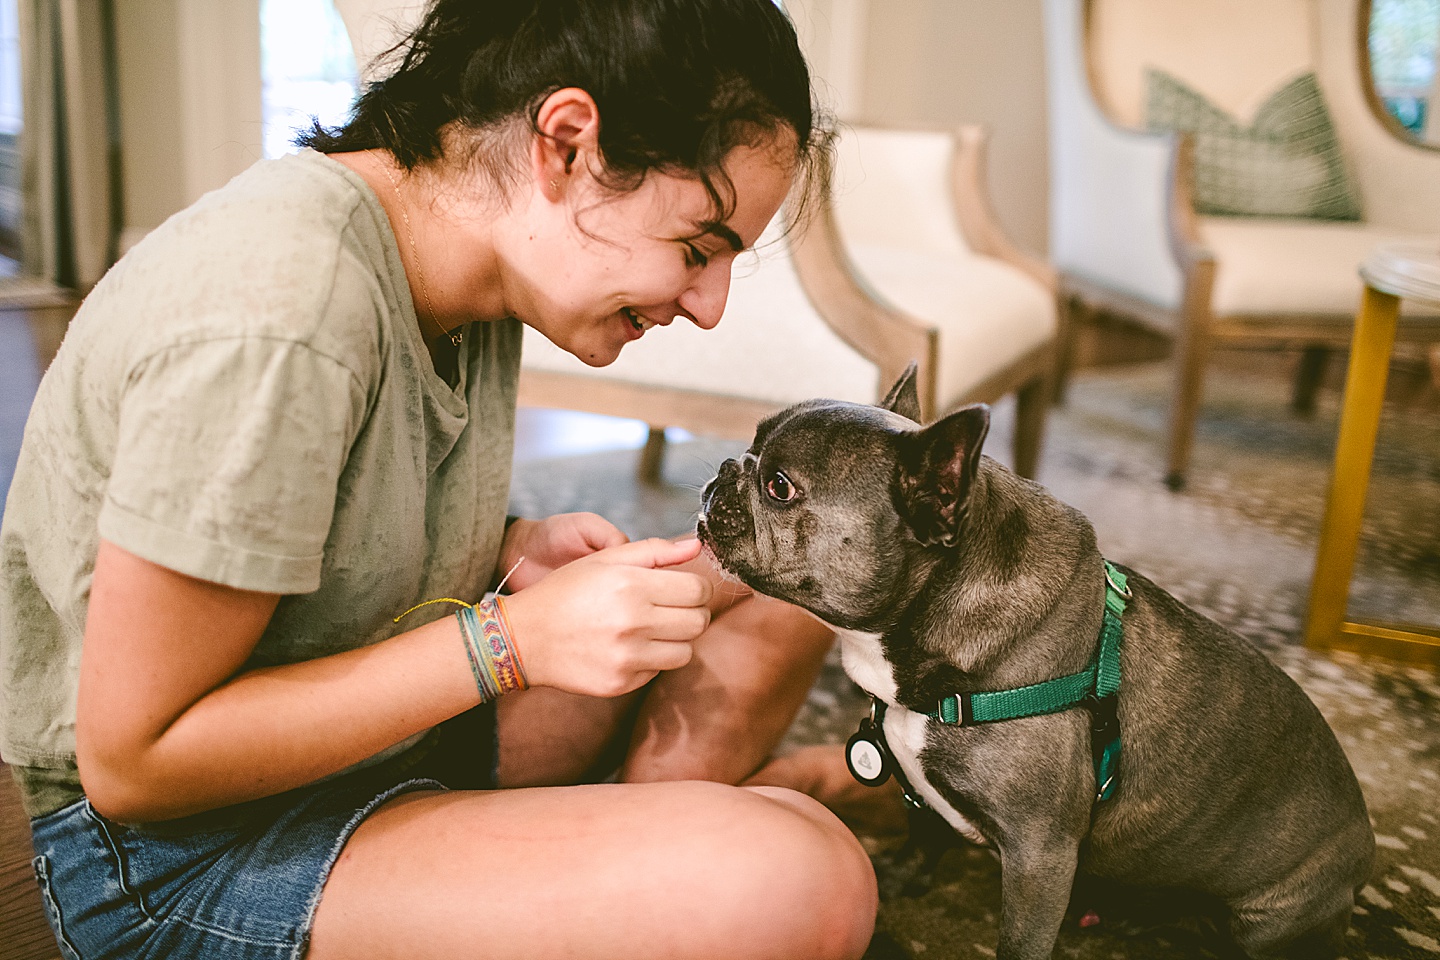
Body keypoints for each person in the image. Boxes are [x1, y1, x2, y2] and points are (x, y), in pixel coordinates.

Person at [0, 1, 880, 958]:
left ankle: (623, 867)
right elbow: (136, 765)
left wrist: (503, 547)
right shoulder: (279, 309)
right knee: (809, 884)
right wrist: (506, 642)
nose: (707, 308)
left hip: (376, 750)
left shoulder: (481, 265)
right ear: (569, 142)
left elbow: (323, 509)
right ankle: (647, 876)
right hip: (176, 856)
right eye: (699, 248)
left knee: (788, 571)